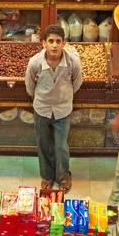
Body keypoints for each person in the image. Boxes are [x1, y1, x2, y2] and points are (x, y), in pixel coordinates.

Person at [25, 24, 83, 193]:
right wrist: (39, 98)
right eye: (51, 41)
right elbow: (29, 86)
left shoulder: (73, 62)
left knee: (61, 146)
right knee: (44, 144)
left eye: (58, 41)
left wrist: (64, 96)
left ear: (64, 43)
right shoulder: (35, 62)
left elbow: (77, 83)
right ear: (44, 43)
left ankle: (63, 175)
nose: (54, 45)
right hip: (41, 109)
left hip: (63, 110)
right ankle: (47, 176)